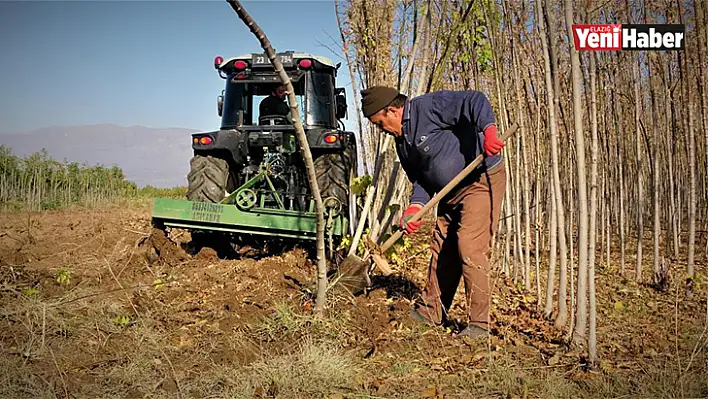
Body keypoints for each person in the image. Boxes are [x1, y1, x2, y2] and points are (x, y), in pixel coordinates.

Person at [360, 86, 506, 338]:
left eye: (379, 123)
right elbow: (421, 180)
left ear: (392, 110)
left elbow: (474, 100)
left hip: (479, 179)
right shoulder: (402, 143)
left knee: (469, 245)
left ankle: (479, 326)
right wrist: (414, 208)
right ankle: (431, 311)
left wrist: (489, 131)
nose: (380, 130)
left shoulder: (427, 108)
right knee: (442, 247)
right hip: (447, 191)